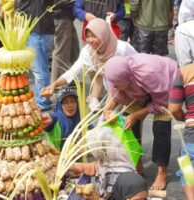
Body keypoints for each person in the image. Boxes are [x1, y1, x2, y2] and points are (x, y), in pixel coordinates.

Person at [103, 54, 178, 190]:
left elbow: (159, 103)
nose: (115, 87)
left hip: (164, 85)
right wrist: (107, 110)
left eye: (118, 85)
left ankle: (162, 173)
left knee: (161, 127)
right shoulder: (116, 76)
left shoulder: (149, 73)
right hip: (138, 89)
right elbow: (117, 95)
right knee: (126, 123)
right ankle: (136, 162)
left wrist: (136, 115)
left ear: (127, 79)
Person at [41, 18, 137, 112]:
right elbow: (72, 72)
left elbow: (138, 65)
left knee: (129, 120)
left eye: (94, 36)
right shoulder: (88, 52)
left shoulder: (122, 49)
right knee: (111, 121)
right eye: (87, 36)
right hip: (114, 91)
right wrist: (54, 85)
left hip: (134, 90)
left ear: (104, 35)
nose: (90, 40)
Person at [70, 125, 147, 199]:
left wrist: (95, 198)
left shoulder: (116, 173)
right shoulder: (110, 160)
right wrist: (69, 166)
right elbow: (92, 168)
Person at [18, 0, 54, 111]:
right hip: (33, 30)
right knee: (39, 69)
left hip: (38, 31)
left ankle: (42, 102)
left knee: (40, 70)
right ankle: (43, 99)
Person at [168, 64, 194, 200]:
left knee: (187, 167)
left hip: (192, 132)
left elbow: (173, 109)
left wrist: (187, 119)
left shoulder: (185, 72)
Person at [50, 0, 80, 83]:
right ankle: (57, 83)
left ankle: (70, 80)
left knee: (74, 51)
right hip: (61, 16)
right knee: (61, 51)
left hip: (66, 16)